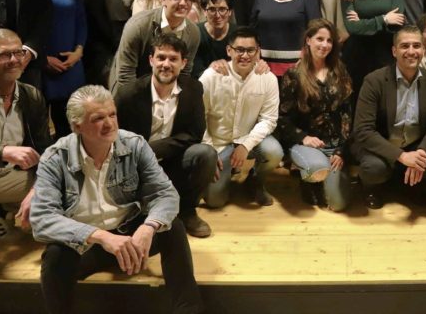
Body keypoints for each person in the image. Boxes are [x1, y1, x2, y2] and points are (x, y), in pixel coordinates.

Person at [30, 85, 202, 314]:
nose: (109, 124)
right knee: (54, 256)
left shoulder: (134, 144)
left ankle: (188, 310)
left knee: (173, 228)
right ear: (77, 126)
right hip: (84, 244)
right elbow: (41, 218)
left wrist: (149, 227)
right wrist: (101, 237)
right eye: (98, 118)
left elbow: (165, 193)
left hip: (129, 237)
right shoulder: (55, 157)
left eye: (112, 115)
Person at [0, 29, 51, 280]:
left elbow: (45, 151)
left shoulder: (31, 95)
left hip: (10, 178)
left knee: (62, 178)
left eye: (19, 52)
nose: (15, 60)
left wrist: (38, 188)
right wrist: (1, 153)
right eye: (4, 55)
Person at [114, 33, 218, 237]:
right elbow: (117, 138)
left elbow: (195, 134)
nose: (166, 64)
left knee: (206, 154)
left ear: (183, 63)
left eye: (173, 59)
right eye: (161, 57)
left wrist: (153, 149)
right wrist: (143, 154)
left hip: (174, 159)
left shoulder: (193, 89)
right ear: (151, 60)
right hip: (137, 165)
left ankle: (187, 210)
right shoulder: (127, 94)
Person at [351, 26, 426, 209]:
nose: (411, 51)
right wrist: (401, 156)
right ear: (394, 51)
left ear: (423, 50)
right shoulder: (374, 80)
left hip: (415, 143)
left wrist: (422, 153)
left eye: (416, 46)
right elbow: (363, 130)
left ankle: (413, 185)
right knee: (374, 168)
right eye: (404, 46)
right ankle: (372, 188)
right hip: (382, 144)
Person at [200, 27, 282, 207]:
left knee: (274, 152)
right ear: (229, 50)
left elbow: (269, 120)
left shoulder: (268, 78)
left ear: (258, 51)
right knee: (215, 201)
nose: (245, 55)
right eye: (239, 50)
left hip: (248, 139)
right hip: (218, 143)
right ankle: (226, 175)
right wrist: (209, 151)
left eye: (250, 50)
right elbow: (199, 117)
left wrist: (246, 145)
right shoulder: (211, 76)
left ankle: (255, 181)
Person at [278, 19, 353, 211]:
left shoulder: (340, 70)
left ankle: (326, 178)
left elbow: (347, 113)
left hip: (335, 145)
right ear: (308, 40)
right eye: (320, 39)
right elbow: (283, 118)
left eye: (329, 40)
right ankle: (308, 178)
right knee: (316, 169)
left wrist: (342, 150)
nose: (325, 45)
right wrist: (303, 138)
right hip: (307, 144)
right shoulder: (293, 74)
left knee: (337, 205)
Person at [22, 0, 87, 138]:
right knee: (37, 132)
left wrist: (78, 53)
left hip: (71, 67)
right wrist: (43, 59)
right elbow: (23, 28)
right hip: (38, 67)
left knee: (71, 131)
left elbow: (81, 22)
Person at [109, 0, 201, 93]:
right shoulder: (138, 25)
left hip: (167, 92)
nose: (183, 3)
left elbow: (183, 74)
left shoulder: (193, 32)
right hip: (131, 89)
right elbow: (125, 75)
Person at [342, 0, 405, 94]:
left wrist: (363, 22)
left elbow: (397, 23)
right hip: (356, 55)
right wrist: (384, 19)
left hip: (385, 53)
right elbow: (352, 28)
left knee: (386, 98)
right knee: (358, 99)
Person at [193, 0, 236, 77]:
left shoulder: (239, 35)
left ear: (230, 12)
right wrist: (211, 70)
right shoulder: (195, 33)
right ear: (204, 12)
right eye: (212, 10)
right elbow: (193, 72)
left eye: (222, 9)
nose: (217, 15)